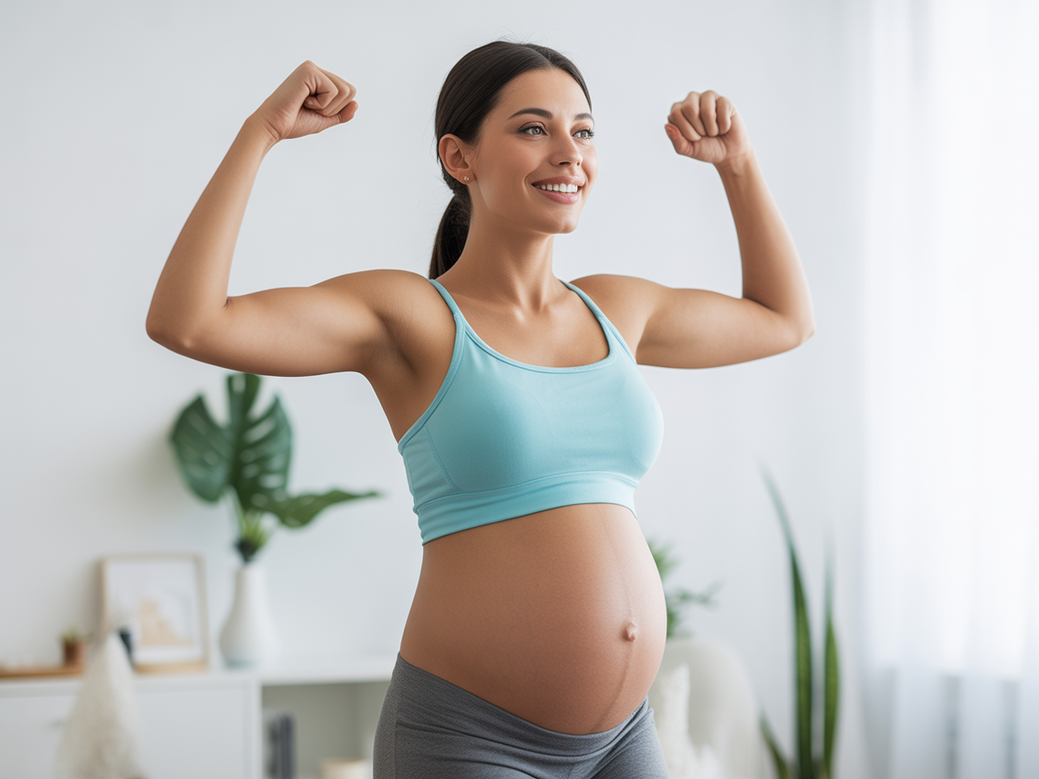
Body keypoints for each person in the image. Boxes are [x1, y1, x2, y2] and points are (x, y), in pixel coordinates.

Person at [147, 41, 813, 779]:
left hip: (623, 738)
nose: (568, 153)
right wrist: (260, 133)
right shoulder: (412, 316)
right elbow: (189, 321)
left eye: (583, 131)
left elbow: (783, 319)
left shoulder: (618, 308)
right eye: (534, 129)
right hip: (469, 737)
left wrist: (738, 164)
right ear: (458, 158)